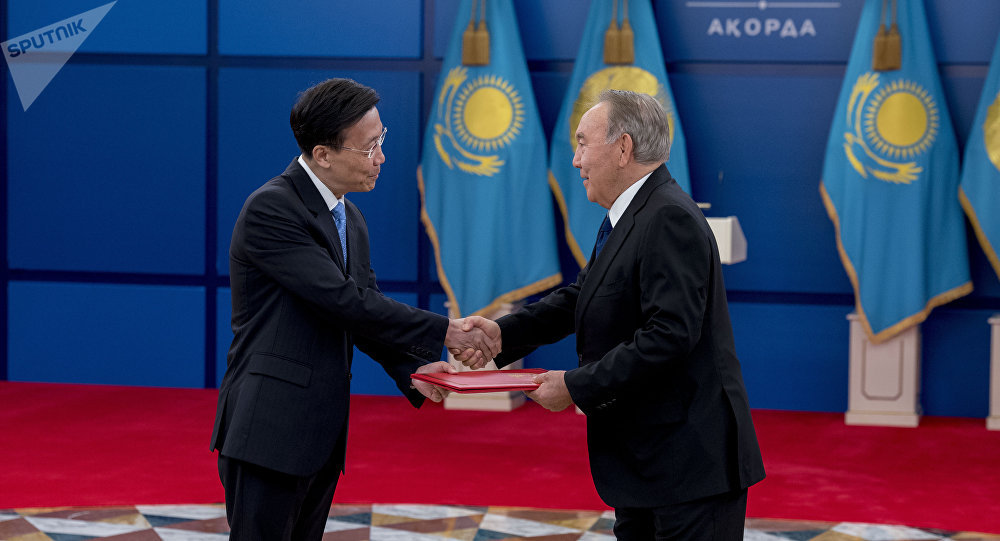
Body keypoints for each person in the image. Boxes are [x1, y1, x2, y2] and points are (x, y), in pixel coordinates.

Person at [460, 90, 765, 539]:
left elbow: (668, 335)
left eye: (583, 144)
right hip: (649, 463)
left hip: (689, 467)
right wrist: (502, 335)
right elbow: (584, 297)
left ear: (623, 148)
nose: (575, 160)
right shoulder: (635, 213)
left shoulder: (668, 217)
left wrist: (575, 386)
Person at [210, 78, 500, 540]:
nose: (381, 157)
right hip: (269, 430)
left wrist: (414, 368)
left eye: (381, 140)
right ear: (323, 154)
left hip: (319, 433)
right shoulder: (272, 209)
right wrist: (447, 330)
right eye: (369, 148)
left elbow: (362, 315)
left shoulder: (350, 218)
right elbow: (344, 301)